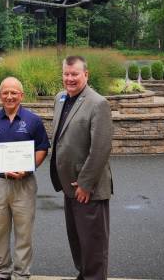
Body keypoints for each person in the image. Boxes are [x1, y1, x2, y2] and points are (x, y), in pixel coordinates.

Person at [0, 77, 50, 280]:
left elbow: (42, 148)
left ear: (22, 95)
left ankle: (21, 274)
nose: (9, 96)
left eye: (14, 93)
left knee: (24, 232)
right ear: (0, 95)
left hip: (24, 184)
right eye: (5, 92)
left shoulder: (33, 120)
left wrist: (28, 169)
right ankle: (1, 272)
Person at [50, 55, 113, 280]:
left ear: (86, 74)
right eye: (66, 74)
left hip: (89, 188)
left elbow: (101, 149)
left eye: (74, 74)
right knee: (77, 239)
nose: (69, 78)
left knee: (93, 243)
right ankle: (84, 274)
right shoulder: (60, 98)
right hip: (69, 185)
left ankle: (93, 276)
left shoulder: (98, 103)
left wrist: (86, 184)